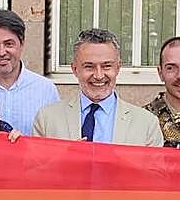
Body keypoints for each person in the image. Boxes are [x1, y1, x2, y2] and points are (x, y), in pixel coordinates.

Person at [33, 28, 162, 147]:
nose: (99, 76)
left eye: (106, 66)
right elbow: (36, 169)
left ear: (118, 68)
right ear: (75, 69)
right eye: (89, 66)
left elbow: (154, 171)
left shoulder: (146, 123)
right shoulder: (47, 119)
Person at [0, 9, 58, 135]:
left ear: (22, 44)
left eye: (8, 44)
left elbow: (54, 138)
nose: (1, 52)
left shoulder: (46, 90)